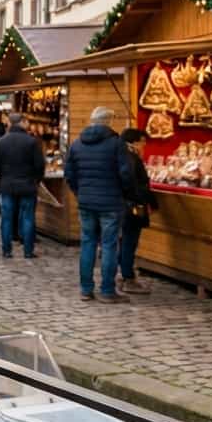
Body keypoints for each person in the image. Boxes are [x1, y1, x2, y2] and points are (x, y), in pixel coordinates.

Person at [66, 107, 134, 303]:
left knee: (87, 243)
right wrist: (125, 194)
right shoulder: (116, 143)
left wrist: (80, 193)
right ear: (109, 121)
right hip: (111, 202)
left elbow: (69, 174)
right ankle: (107, 290)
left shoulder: (77, 144)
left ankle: (86, 289)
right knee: (109, 245)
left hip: (86, 201)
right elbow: (126, 174)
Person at [0, 113, 46, 259]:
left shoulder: (1, 142)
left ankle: (7, 250)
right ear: (22, 122)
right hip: (27, 184)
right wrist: (36, 180)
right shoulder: (32, 142)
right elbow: (40, 165)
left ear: (10, 123)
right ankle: (28, 251)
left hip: (7, 185)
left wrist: (2, 179)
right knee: (28, 218)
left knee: (7, 219)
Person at [119, 128, 156, 295]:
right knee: (129, 241)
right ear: (134, 142)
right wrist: (151, 202)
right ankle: (128, 278)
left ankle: (123, 275)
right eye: (143, 142)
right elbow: (137, 185)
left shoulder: (120, 154)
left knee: (124, 241)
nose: (144, 145)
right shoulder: (132, 158)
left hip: (120, 204)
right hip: (131, 206)